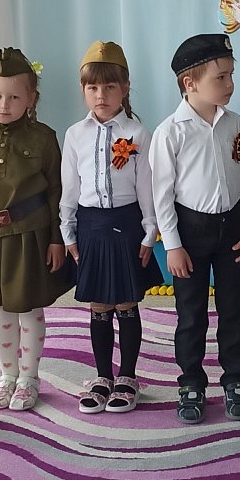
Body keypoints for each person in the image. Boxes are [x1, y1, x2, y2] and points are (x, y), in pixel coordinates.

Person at [150, 34, 240, 424]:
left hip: (232, 229)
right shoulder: (171, 132)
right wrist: (172, 245)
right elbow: (162, 194)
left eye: (231, 75)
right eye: (221, 77)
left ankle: (235, 378)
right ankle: (191, 382)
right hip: (190, 232)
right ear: (190, 83)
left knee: (235, 308)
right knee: (191, 312)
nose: (230, 84)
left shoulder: (236, 124)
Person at [0, 47, 70, 413]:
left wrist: (56, 239)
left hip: (30, 235)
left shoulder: (43, 138)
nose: (4, 104)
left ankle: (29, 378)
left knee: (28, 308)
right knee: (1, 310)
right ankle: (7, 375)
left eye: (14, 97)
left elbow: (56, 192)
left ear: (31, 99)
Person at [61, 41, 163, 415]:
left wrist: (150, 231)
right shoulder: (75, 134)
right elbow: (69, 188)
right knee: (99, 304)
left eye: (109, 87)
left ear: (125, 88)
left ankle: (128, 377)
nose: (101, 95)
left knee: (125, 302)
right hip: (91, 226)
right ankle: (103, 376)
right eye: (93, 88)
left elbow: (146, 186)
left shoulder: (137, 133)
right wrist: (68, 231)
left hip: (126, 224)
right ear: (83, 90)